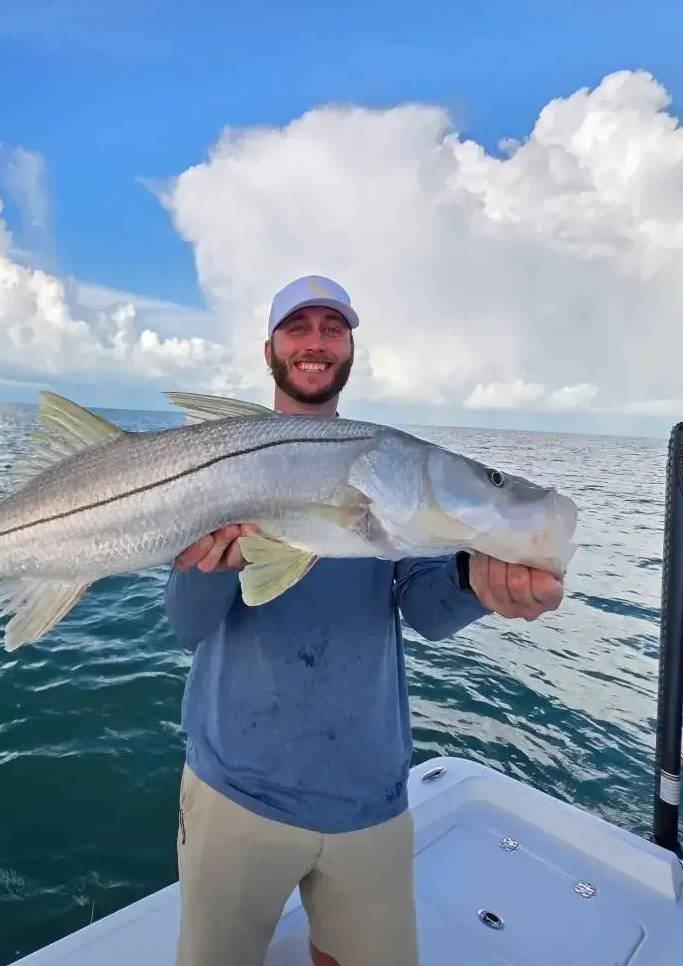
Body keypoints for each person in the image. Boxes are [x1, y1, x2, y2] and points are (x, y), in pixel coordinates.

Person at [164, 274, 565, 966]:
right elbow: (186, 627)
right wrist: (213, 566)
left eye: (332, 327)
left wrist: (476, 579)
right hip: (236, 789)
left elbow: (426, 612)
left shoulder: (392, 474)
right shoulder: (214, 460)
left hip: (369, 796)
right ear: (270, 349)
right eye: (299, 326)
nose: (315, 341)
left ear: (350, 348)